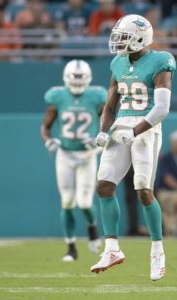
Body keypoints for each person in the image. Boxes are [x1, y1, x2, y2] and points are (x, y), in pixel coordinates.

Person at [90, 14, 176, 281]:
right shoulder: (117, 63)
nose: (118, 43)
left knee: (142, 189)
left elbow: (162, 109)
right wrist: (103, 131)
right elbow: (110, 104)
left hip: (146, 126)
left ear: (141, 37)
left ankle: (157, 251)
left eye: (123, 37)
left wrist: (135, 131)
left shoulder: (161, 60)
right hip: (122, 126)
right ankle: (112, 249)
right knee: (104, 184)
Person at [41, 60, 107, 261]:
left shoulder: (97, 96)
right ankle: (71, 248)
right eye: (74, 78)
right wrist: (48, 140)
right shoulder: (58, 97)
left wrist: (98, 140)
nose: (78, 82)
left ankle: (92, 229)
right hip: (65, 154)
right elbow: (46, 127)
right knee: (67, 201)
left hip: (87, 155)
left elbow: (106, 123)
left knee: (85, 202)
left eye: (81, 78)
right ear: (66, 78)